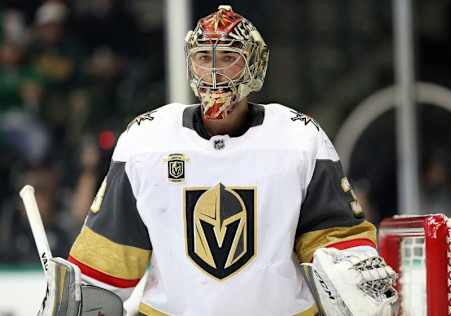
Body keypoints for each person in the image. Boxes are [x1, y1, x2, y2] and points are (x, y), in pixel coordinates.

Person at [38, 5, 397, 316]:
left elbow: (337, 244)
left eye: (228, 57)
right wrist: (76, 297)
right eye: (203, 57)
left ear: (254, 64)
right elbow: (105, 266)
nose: (213, 70)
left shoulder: (300, 138)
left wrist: (350, 272)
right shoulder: (146, 141)